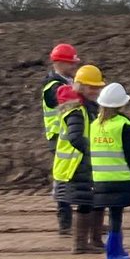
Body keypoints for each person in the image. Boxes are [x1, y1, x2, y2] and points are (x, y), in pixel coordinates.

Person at [90, 82, 130, 259]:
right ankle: (114, 252)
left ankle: (112, 249)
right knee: (116, 216)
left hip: (99, 178)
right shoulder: (124, 125)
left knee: (106, 213)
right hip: (120, 178)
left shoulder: (94, 125)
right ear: (121, 104)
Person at [52, 64, 105, 254]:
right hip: (76, 164)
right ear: (81, 87)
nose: (96, 91)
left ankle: (87, 242)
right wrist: (92, 152)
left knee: (90, 201)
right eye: (92, 87)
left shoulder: (88, 108)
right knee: (85, 202)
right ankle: (80, 244)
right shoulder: (77, 110)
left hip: (81, 163)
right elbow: (75, 138)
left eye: (98, 87)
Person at [42, 42, 81, 235]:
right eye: (70, 62)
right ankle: (65, 223)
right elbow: (68, 105)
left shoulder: (69, 81)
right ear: (59, 63)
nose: (74, 66)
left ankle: (82, 222)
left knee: (80, 176)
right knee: (63, 178)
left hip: (71, 135)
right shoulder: (53, 86)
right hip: (59, 139)